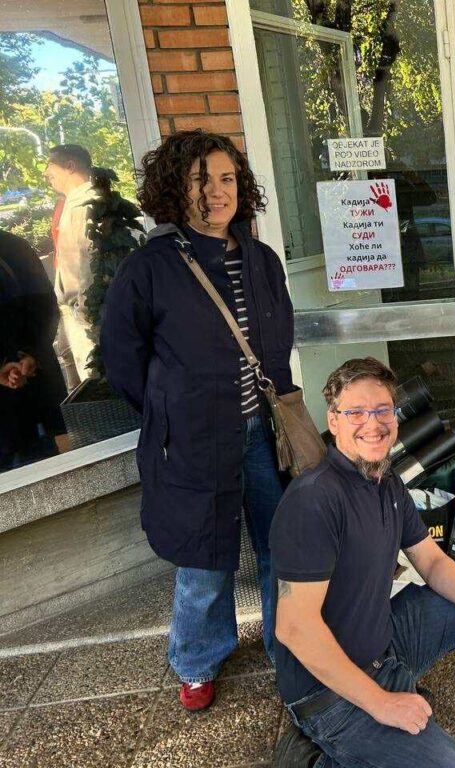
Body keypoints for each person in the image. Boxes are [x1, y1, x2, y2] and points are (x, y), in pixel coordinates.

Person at [101, 130, 296, 712]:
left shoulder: (261, 260)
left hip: (264, 434)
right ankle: (196, 660)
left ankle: (289, 643)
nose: (216, 192)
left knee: (283, 545)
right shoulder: (149, 268)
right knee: (204, 558)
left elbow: (278, 342)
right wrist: (171, 411)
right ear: (175, 189)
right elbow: (122, 360)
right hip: (194, 440)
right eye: (200, 180)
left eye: (226, 178)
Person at [271, 357, 455, 768]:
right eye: (356, 412)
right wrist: (382, 703)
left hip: (385, 641)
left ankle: (394, 692)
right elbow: (294, 627)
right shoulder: (313, 501)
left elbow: (431, 561)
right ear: (333, 421)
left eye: (383, 410)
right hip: (326, 693)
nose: (373, 423)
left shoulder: (387, 483)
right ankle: (317, 755)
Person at [0, 230, 67, 471]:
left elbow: (45, 305)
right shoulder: (13, 246)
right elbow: (45, 306)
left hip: (34, 386)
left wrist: (32, 355)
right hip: (32, 377)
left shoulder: (13, 247)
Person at [43, 144, 97, 389]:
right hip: (77, 311)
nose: (46, 172)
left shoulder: (87, 204)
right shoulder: (70, 204)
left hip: (87, 315)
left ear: (70, 167)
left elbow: (91, 263)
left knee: (94, 380)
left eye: (50, 165)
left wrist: (84, 313)